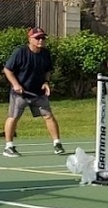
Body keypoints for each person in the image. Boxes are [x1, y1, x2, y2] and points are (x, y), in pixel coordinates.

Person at [3, 27, 66, 157]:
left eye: (43, 38)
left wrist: (46, 82)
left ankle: (57, 144)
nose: (41, 40)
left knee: (48, 116)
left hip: (38, 93)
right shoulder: (20, 52)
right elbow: (7, 70)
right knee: (13, 117)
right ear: (30, 39)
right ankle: (8, 147)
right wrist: (15, 84)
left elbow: (47, 70)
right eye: (37, 38)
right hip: (20, 93)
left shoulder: (45, 53)